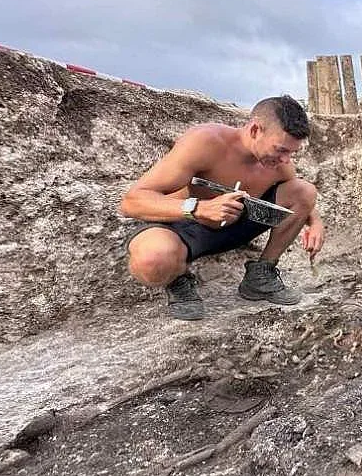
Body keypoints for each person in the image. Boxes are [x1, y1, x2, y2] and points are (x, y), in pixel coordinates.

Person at [120, 95, 325, 320]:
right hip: (186, 228)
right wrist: (198, 208)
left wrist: (315, 222)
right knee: (151, 261)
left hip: (237, 226)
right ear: (255, 130)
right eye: (281, 150)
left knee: (304, 190)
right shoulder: (206, 142)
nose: (286, 160)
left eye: (291, 153)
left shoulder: (275, 162)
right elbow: (132, 201)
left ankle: (261, 274)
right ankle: (177, 279)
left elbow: (300, 198)